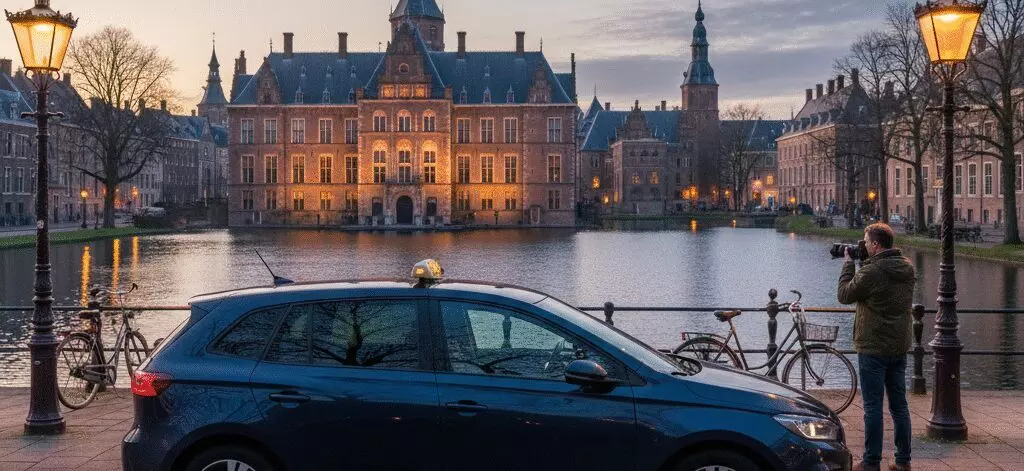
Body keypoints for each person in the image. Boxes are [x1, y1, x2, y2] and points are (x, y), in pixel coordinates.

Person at [838, 223, 916, 471]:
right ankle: (903, 461)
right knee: (899, 406)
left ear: (876, 245)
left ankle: (872, 461)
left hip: (872, 347)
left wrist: (849, 263)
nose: (863, 245)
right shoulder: (906, 268)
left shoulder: (870, 272)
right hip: (898, 345)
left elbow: (844, 295)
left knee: (873, 406)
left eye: (865, 241)